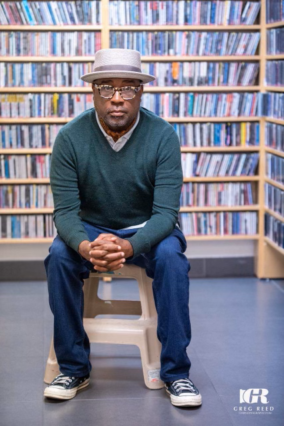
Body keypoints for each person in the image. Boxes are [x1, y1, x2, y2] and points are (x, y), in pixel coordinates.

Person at [43, 48, 202, 407]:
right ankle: (73, 368)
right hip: (91, 228)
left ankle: (176, 374)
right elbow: (65, 213)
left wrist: (129, 247)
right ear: (93, 91)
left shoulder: (163, 136)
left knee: (173, 260)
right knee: (58, 256)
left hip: (147, 229)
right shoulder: (70, 137)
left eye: (128, 88)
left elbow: (166, 214)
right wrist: (86, 247)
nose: (117, 99)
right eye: (105, 88)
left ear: (141, 93)